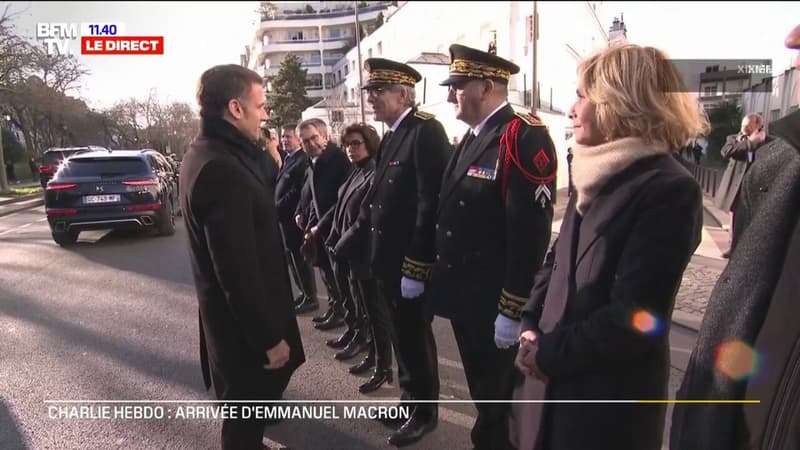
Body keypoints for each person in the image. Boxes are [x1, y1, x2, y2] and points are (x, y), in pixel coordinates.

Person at [516, 43, 708, 450]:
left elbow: (635, 318)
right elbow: (556, 263)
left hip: (601, 410)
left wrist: (547, 354)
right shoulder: (592, 166)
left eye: (582, 96)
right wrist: (529, 325)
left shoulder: (669, 189)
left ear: (621, 103)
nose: (571, 108)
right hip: (547, 387)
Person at [671, 23, 800, 450]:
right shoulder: (770, 151)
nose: (791, 43)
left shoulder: (784, 155)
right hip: (743, 198)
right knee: (739, 240)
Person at [429, 43, 557, 450]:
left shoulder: (522, 135)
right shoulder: (471, 138)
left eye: (458, 86)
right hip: (467, 298)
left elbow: (529, 232)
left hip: (494, 301)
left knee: (500, 403)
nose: (451, 95)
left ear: (485, 87)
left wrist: (512, 308)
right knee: (485, 395)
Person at [179, 64, 305, 450]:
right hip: (244, 336)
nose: (266, 114)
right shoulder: (221, 168)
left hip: (233, 327)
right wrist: (269, 338)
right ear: (236, 108)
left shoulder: (209, 153)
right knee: (242, 429)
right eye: (261, 105)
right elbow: (235, 270)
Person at [359, 57, 451, 446]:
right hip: (387, 259)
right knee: (400, 336)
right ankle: (409, 399)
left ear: (403, 93)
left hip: (409, 262)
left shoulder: (425, 131)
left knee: (414, 336)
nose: (372, 99)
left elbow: (431, 203)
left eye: (378, 92)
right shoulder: (394, 134)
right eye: (370, 92)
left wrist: (418, 264)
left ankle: (425, 412)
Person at [326, 123, 395, 392]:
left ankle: (383, 367)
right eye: (347, 144)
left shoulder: (374, 171)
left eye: (356, 143)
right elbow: (342, 207)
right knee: (364, 310)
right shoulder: (356, 170)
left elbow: (365, 219)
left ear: (369, 143)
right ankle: (371, 356)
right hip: (351, 255)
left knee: (377, 316)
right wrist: (333, 236)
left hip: (367, 256)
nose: (350, 149)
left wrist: (340, 244)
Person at [295, 118, 352, 326]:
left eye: (313, 138)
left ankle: (347, 318)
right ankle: (335, 309)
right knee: (327, 275)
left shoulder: (337, 160)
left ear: (324, 136)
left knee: (341, 281)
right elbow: (310, 197)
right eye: (304, 141)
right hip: (318, 228)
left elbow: (339, 201)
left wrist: (319, 226)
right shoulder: (311, 162)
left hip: (335, 228)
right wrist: (303, 215)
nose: (309, 144)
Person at [713, 113, 771, 257]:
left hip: (755, 186)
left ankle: (748, 250)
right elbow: (726, 152)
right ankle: (732, 247)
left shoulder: (767, 142)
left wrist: (759, 142)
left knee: (752, 218)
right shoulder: (733, 139)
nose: (744, 129)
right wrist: (750, 142)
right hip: (736, 187)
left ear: (757, 127)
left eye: (748, 126)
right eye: (742, 126)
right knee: (734, 218)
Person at [275, 123, 317, 310]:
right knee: (293, 260)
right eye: (283, 137)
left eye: (288, 137)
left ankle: (311, 297)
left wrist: (277, 206)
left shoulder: (301, 160)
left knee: (300, 260)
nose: (284, 140)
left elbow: (295, 191)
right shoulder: (289, 158)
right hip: (284, 219)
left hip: (293, 218)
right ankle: (304, 293)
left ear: (298, 139)